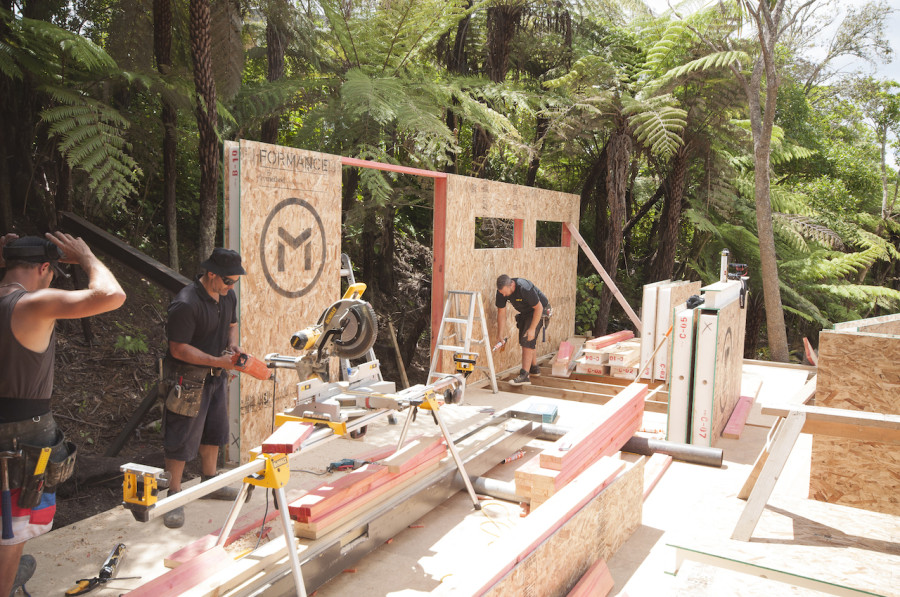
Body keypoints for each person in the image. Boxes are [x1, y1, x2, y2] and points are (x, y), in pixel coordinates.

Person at [0, 232, 126, 596]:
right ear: (43, 268)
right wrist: (86, 257)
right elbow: (112, 295)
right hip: (22, 433)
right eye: (50, 271)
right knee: (14, 525)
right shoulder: (30, 304)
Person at [162, 248, 247, 529]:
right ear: (211, 274)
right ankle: (172, 496)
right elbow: (178, 348)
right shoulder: (186, 303)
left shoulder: (227, 295)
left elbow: (232, 324)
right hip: (188, 377)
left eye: (234, 281)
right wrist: (216, 360)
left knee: (214, 431)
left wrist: (232, 346)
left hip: (216, 375)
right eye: (228, 281)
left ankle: (210, 482)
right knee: (182, 435)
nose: (231, 287)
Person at [495, 275, 550, 386]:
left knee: (527, 339)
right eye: (502, 293)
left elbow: (538, 308)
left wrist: (532, 329)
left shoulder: (524, 288)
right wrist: (500, 334)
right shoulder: (501, 292)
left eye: (506, 293)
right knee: (527, 339)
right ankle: (534, 368)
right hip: (526, 312)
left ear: (512, 285)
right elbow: (501, 313)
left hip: (541, 310)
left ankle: (525, 375)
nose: (504, 295)